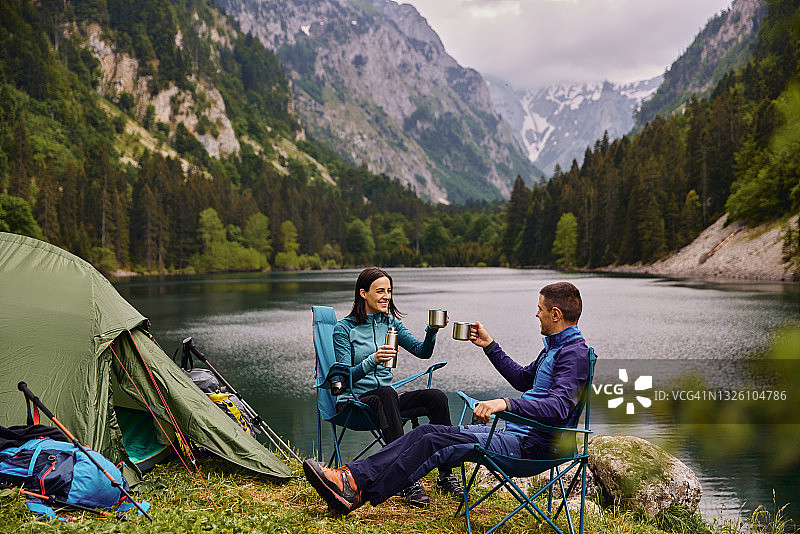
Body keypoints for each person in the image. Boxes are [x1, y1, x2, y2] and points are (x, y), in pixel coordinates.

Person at [304, 281, 591, 515]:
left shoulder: (574, 353)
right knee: (428, 432)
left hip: (531, 447)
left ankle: (354, 488)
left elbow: (558, 407)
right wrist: (490, 346)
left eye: (539, 309)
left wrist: (506, 403)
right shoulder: (554, 348)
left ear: (555, 314)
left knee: (431, 440)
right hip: (515, 432)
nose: (536, 314)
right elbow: (524, 380)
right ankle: (351, 479)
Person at [331, 267, 462, 506]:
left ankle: (446, 474)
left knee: (436, 397)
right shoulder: (344, 329)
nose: (386, 296)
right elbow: (342, 378)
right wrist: (373, 360)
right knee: (386, 394)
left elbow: (423, 352)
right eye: (379, 291)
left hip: (387, 400)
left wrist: (431, 331)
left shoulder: (391, 325)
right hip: (356, 400)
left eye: (389, 291)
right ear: (363, 293)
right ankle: (406, 480)